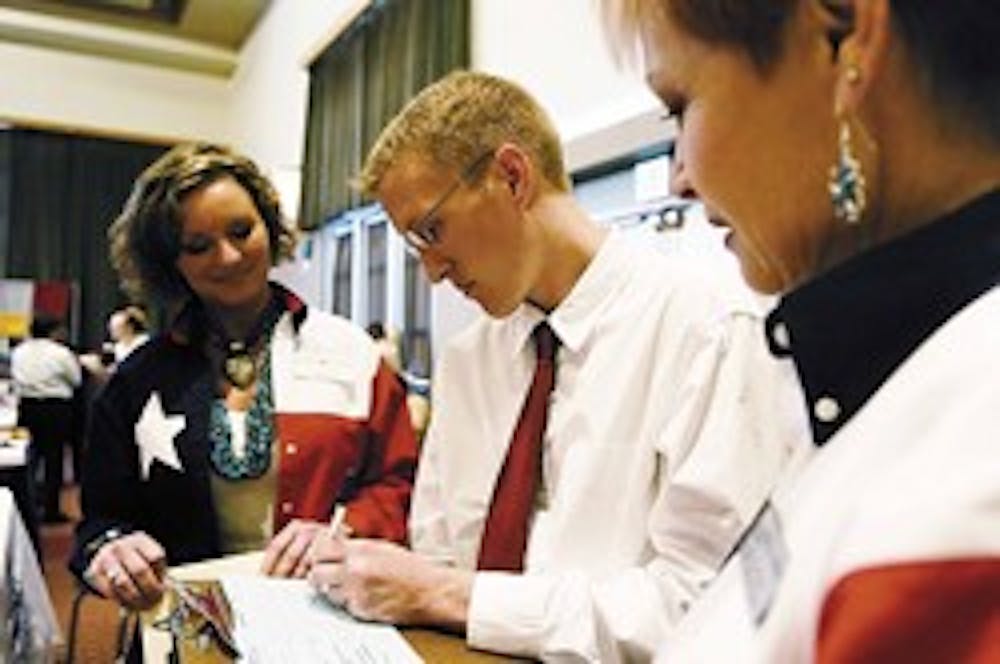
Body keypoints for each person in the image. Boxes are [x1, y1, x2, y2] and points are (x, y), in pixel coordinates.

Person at [308, 70, 807, 661]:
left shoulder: (709, 330)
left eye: (431, 231)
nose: (433, 272)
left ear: (511, 177)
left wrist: (452, 596)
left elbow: (703, 602)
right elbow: (438, 552)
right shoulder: (470, 360)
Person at [602, 0, 1000, 661]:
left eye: (680, 104)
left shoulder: (957, 516)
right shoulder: (876, 379)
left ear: (844, 41)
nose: (679, 178)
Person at [69, 143, 419, 618]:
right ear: (169, 261)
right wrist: (111, 551)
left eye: (241, 231)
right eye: (198, 246)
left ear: (271, 229)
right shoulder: (137, 379)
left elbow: (400, 485)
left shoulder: (352, 353)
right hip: (185, 626)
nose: (229, 256)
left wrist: (343, 529)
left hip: (327, 620)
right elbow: (101, 521)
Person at [11, 314, 81, 524]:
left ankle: (27, 505)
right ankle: (51, 510)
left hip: (28, 406)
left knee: (29, 457)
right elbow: (75, 379)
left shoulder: (19, 352)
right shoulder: (60, 353)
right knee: (54, 460)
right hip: (55, 408)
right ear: (53, 331)